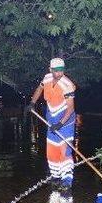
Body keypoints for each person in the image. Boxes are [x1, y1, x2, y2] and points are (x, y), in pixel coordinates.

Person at [27, 57, 77, 191]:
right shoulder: (47, 78)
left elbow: (70, 108)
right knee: (52, 152)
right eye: (56, 71)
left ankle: (66, 181)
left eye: (62, 70)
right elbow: (39, 89)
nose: (59, 73)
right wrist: (32, 102)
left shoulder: (68, 85)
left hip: (65, 122)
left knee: (64, 151)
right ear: (51, 70)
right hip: (51, 121)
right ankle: (56, 177)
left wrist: (60, 124)